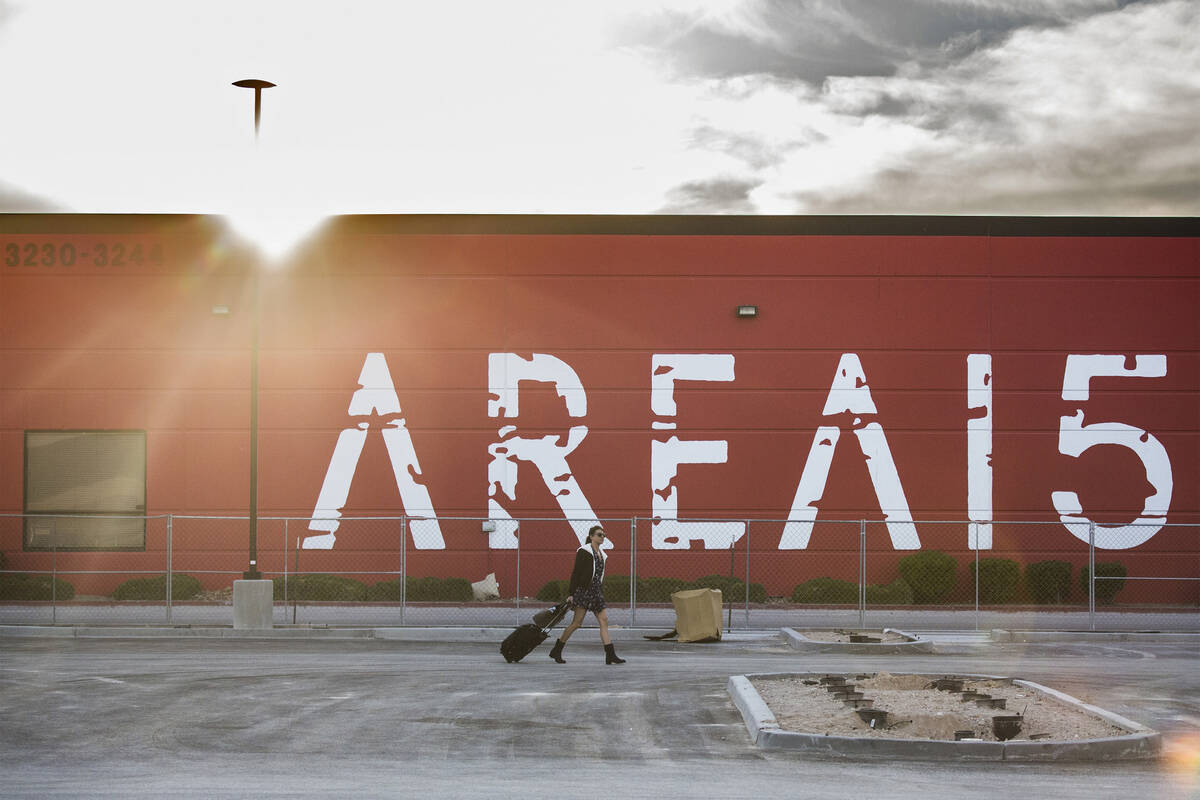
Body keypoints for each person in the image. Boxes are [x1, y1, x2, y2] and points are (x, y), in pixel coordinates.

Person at [548, 524, 625, 664]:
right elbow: (576, 573)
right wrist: (571, 593)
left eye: (604, 535)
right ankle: (557, 650)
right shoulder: (584, 551)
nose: (602, 537)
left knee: (604, 621)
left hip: (596, 592)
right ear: (591, 537)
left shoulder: (602, 554)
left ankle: (610, 655)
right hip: (584, 591)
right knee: (576, 623)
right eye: (599, 535)